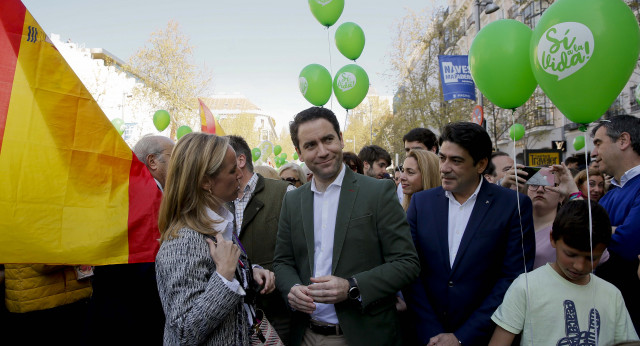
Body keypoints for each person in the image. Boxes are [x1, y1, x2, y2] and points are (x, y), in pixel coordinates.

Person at [273, 107, 420, 346]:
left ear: (341, 139)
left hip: (362, 335)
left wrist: (352, 287)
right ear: (299, 153)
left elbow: (407, 263)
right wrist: (293, 288)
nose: (322, 151)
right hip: (305, 335)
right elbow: (282, 261)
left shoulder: (377, 192)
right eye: (310, 145)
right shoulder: (292, 200)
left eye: (328, 139)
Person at [404, 121, 535, 345]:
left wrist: (462, 337)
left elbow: (512, 278)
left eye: (456, 160)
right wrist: (431, 332)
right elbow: (410, 270)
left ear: (481, 164)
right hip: (427, 337)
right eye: (442, 158)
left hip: (483, 336)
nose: (444, 168)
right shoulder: (421, 203)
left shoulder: (513, 206)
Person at [155, 133, 275, 345]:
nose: (241, 174)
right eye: (232, 170)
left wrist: (248, 271)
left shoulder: (218, 224)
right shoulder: (183, 242)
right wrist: (224, 277)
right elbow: (183, 333)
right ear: (205, 182)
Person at [489, 200, 638, 345]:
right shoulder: (526, 286)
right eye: (571, 254)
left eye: (591, 258)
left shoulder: (612, 295)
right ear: (553, 238)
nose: (579, 266)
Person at [89, 135, 173, 345]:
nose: (180, 163)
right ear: (152, 161)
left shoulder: (120, 189)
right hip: (137, 308)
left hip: (113, 309)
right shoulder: (147, 195)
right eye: (174, 156)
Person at [227, 135, 294, 343]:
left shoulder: (284, 193)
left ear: (239, 161)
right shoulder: (216, 200)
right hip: (235, 315)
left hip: (278, 312)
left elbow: (302, 252)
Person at [591, 115, 640, 331]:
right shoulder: (610, 195)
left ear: (623, 140)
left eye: (598, 143)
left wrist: (599, 230)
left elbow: (628, 244)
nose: (593, 153)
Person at [527, 167, 563, 269]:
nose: (540, 190)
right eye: (534, 184)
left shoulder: (567, 228)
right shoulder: (516, 225)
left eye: (548, 185)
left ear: (562, 196)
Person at [397, 128, 440, 201]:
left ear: (433, 150)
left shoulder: (447, 183)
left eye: (417, 149)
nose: (410, 153)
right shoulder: (403, 186)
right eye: (407, 150)